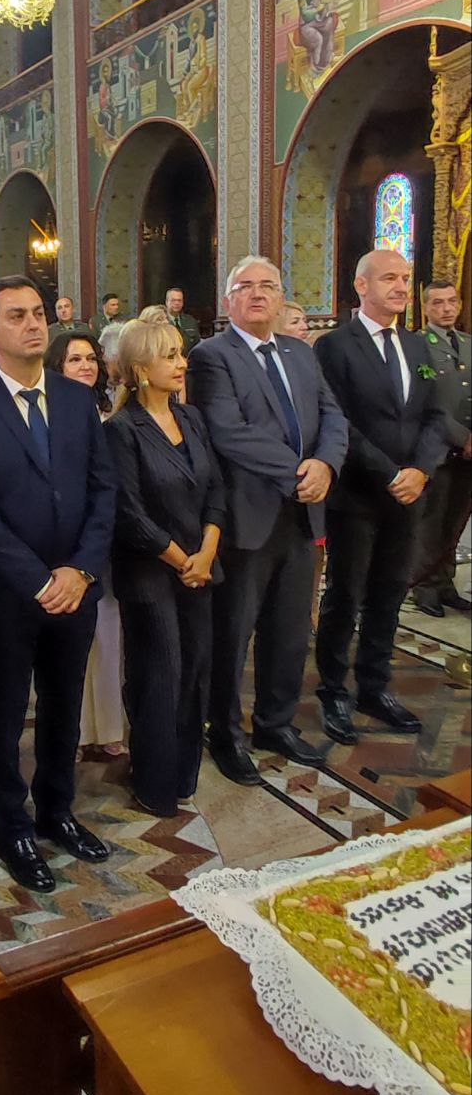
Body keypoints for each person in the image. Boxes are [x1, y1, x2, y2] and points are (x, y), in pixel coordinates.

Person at [0, 276, 116, 893]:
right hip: (6, 598)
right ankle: (13, 827)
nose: (33, 324)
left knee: (64, 709)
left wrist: (81, 570)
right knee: (6, 716)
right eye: (16, 316)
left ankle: (57, 811)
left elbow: (103, 490)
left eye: (38, 313)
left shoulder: (74, 398)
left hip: (76, 588)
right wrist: (40, 581)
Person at [189, 255, 348, 784]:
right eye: (246, 286)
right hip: (247, 516)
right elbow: (228, 431)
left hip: (302, 516)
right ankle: (225, 732)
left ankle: (275, 724)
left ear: (281, 298)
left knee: (289, 630)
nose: (257, 294)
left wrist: (326, 464)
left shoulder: (300, 353)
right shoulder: (212, 356)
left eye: (268, 286)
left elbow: (333, 415)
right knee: (233, 634)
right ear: (228, 299)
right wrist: (300, 472)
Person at [314, 251, 448, 745]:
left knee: (390, 593)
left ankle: (374, 686)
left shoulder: (416, 345)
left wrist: (420, 471)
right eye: (390, 277)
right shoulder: (335, 346)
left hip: (408, 495)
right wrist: (390, 472)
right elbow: (336, 419)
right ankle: (333, 690)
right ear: (361, 285)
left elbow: (436, 416)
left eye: (406, 278)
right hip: (357, 494)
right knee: (346, 595)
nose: (401, 287)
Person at [106, 320, 224, 815]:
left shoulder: (191, 417)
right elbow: (129, 514)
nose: (182, 363)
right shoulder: (121, 429)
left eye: (181, 353)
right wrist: (181, 560)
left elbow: (216, 488)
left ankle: (182, 775)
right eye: (170, 356)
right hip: (150, 574)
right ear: (140, 369)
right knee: (160, 676)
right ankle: (153, 782)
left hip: (199, 569)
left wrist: (207, 551)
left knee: (194, 671)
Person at [45, 330, 123, 759]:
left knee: (108, 636)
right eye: (75, 359)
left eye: (91, 358)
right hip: (65, 546)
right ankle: (71, 733)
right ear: (57, 366)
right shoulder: (49, 412)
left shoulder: (112, 411)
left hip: (106, 539)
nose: (86, 366)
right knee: (68, 649)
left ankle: (108, 726)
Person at [410, 280, 472, 617]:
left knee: (456, 520)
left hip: (467, 455)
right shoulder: (418, 346)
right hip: (438, 450)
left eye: (451, 301)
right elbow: (428, 402)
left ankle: (445, 582)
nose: (446, 308)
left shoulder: (468, 343)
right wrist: (463, 438)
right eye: (437, 303)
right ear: (426, 307)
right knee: (431, 523)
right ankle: (425, 586)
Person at [275, 300, 324, 628]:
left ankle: (311, 609)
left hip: (315, 475)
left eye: (305, 321)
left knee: (314, 551)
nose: (304, 327)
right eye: (295, 321)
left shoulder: (308, 361)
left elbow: (329, 411)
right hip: (282, 479)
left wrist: (323, 461)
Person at [164, 288, 201, 353]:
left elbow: (197, 344)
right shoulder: (160, 321)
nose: (177, 303)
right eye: (173, 300)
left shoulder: (190, 321)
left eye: (179, 300)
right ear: (167, 302)